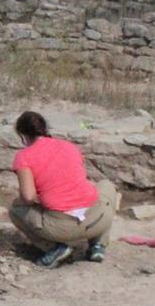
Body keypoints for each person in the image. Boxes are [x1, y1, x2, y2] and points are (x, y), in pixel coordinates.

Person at [8, 111, 116, 268]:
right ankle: (98, 245)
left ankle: (55, 249)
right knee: (106, 186)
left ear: (23, 135)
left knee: (15, 209)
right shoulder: (69, 146)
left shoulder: (23, 156)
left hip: (62, 229)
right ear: (44, 130)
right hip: (98, 219)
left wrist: (29, 200)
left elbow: (29, 197)